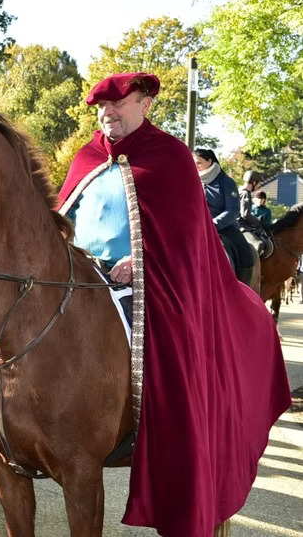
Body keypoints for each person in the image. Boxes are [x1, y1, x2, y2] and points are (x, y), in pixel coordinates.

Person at [58, 72, 289, 537]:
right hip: (77, 278)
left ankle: (184, 460)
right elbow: (60, 220)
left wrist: (139, 259)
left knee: (176, 364)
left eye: (117, 105)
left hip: (147, 284)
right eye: (101, 108)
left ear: (145, 103)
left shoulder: (170, 157)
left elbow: (185, 236)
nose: (106, 114)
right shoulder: (87, 157)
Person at [193, 148, 256, 284]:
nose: (195, 166)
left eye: (199, 163)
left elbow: (233, 210)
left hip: (224, 227)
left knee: (246, 254)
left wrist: (213, 224)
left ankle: (242, 297)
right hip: (196, 227)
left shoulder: (226, 182)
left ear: (209, 161)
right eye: (194, 163)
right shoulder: (191, 181)